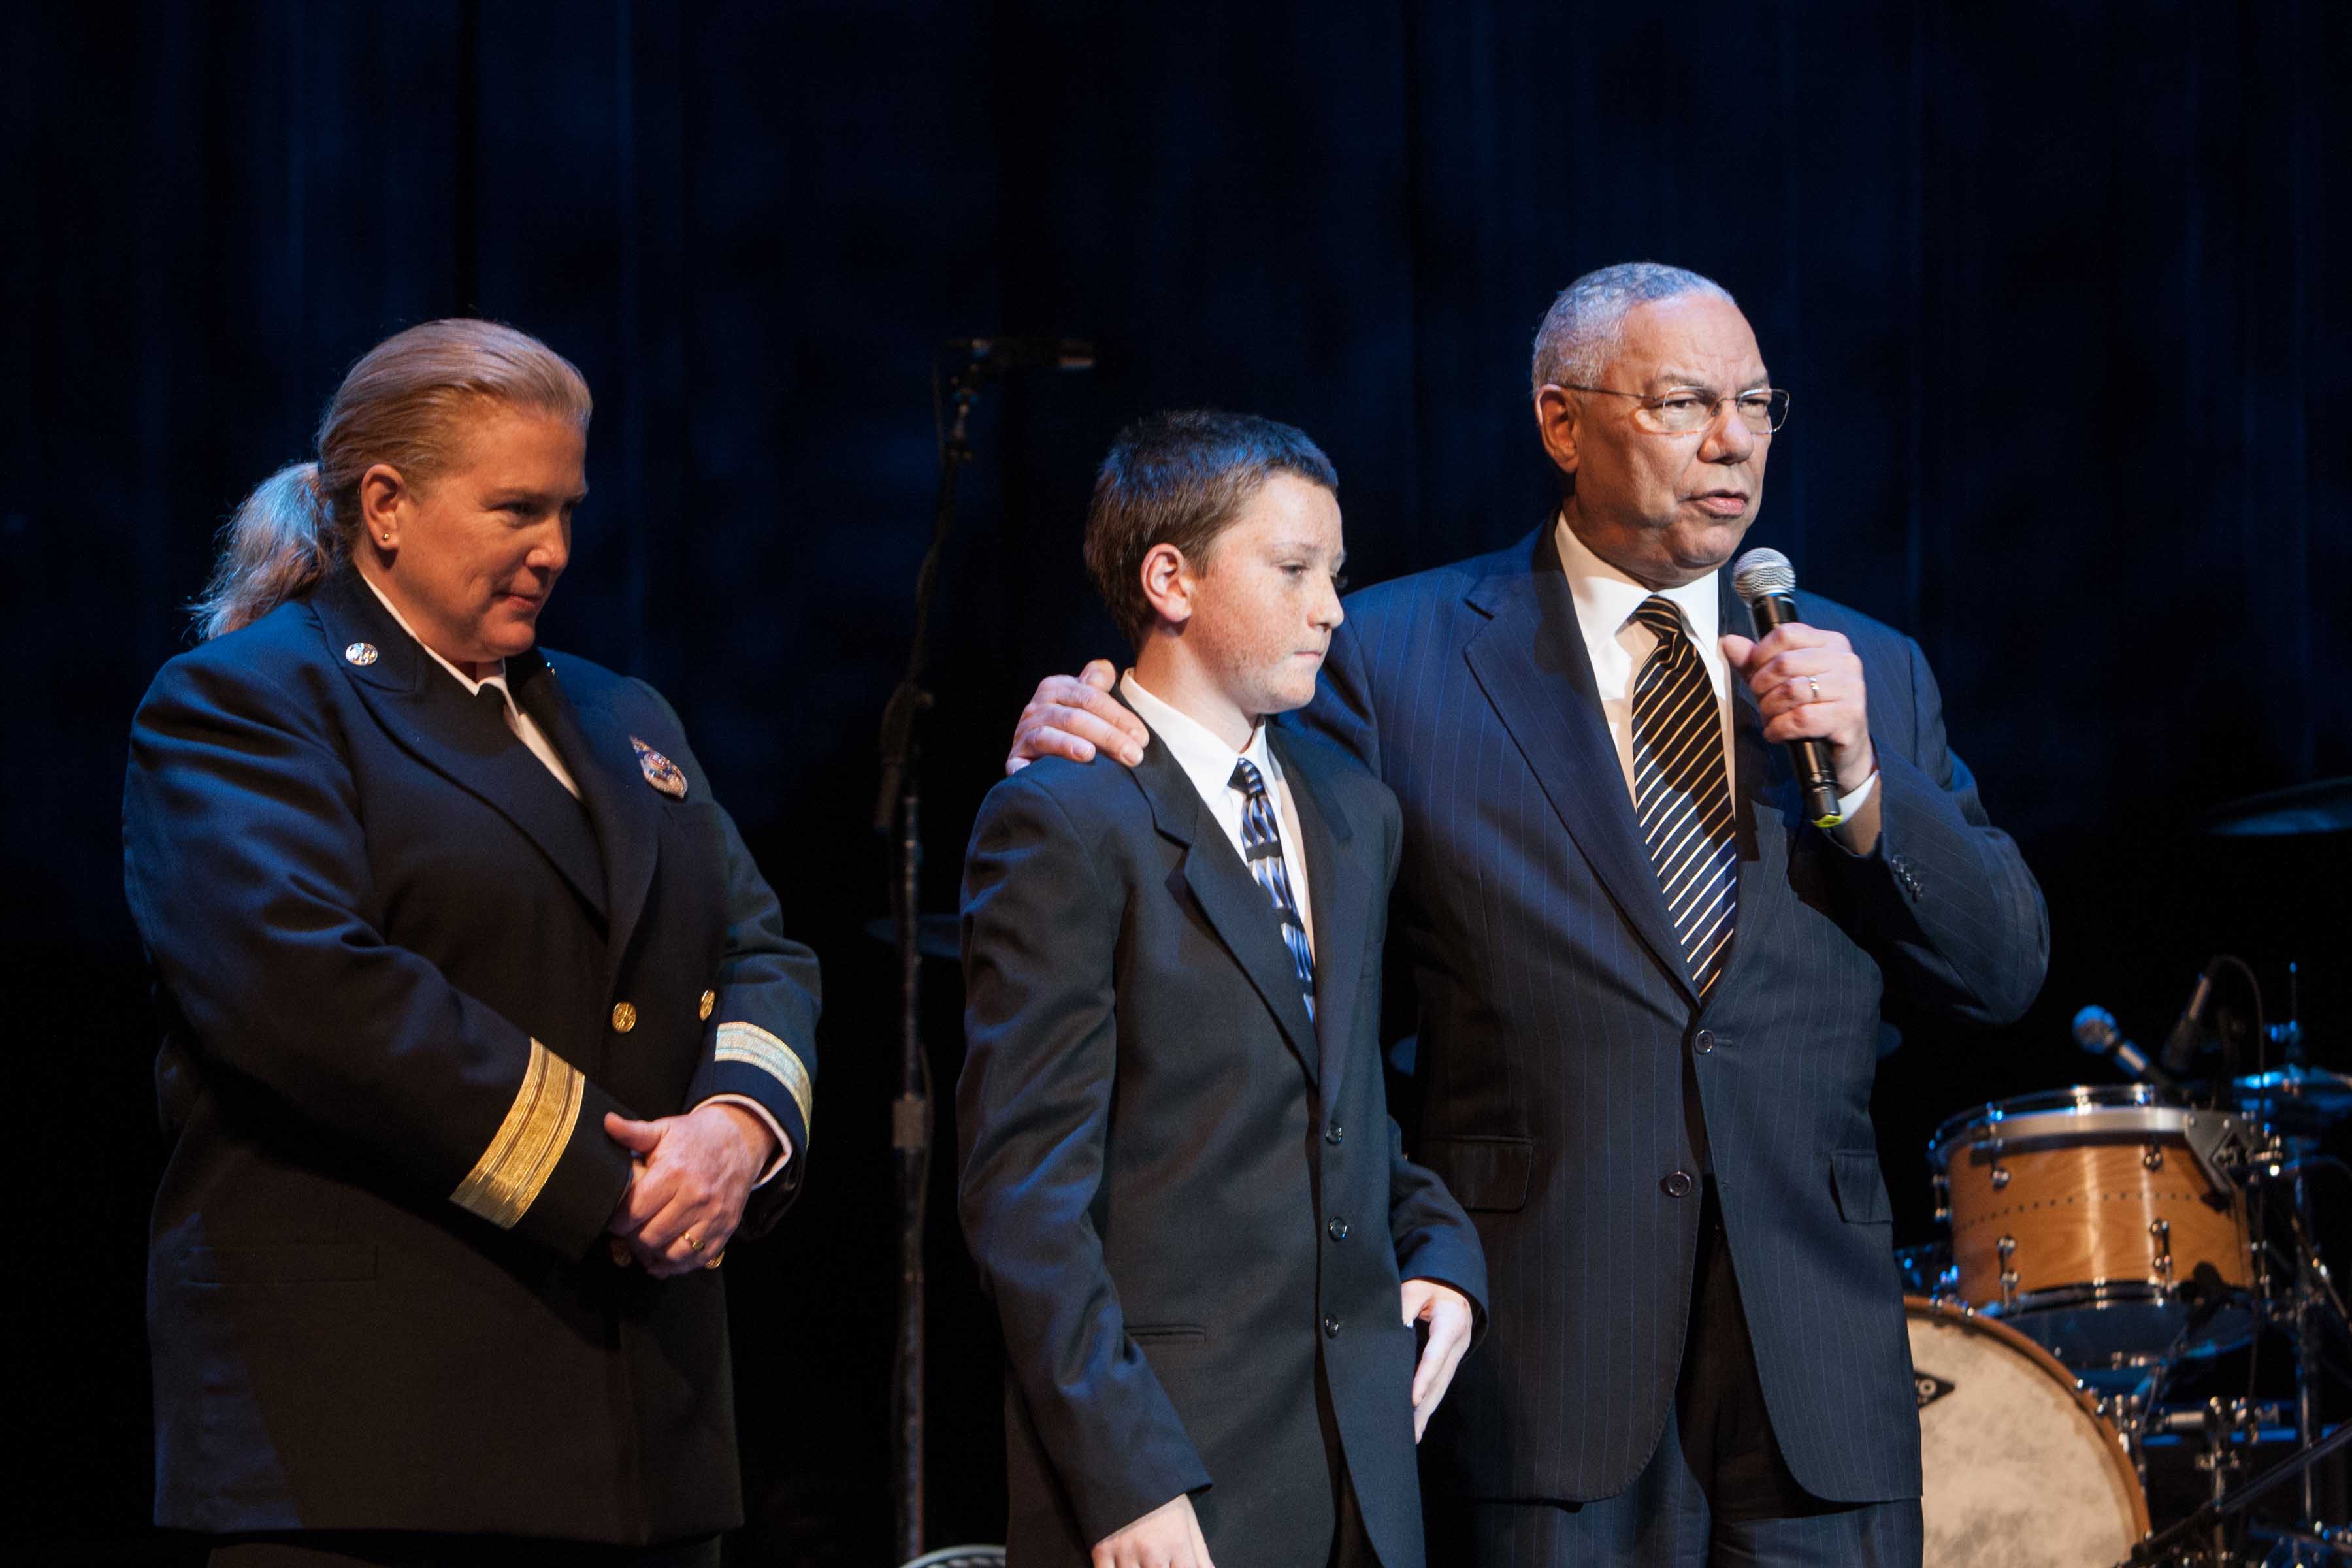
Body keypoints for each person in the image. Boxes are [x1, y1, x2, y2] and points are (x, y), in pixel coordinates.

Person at [1005, 266, 2049, 1565]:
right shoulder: (1393, 655)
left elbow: (2002, 971)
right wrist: (1102, 742)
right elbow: (1253, 923)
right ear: (1563, 422)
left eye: (1758, 404)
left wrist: (1867, 781)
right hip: (1540, 1381)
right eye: (1684, 402)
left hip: (1816, 1397)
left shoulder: (1865, 669)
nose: (1734, 440)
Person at [122, 319, 821, 1567]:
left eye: (567, 510)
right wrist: (616, 1183)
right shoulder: (249, 703)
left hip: (644, 1450)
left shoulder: (624, 714)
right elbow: (312, 994)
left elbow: (761, 952)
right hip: (378, 1455)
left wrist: (734, 1133)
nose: (554, 550)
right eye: (515, 510)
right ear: (386, 505)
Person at [958, 411, 1489, 1568]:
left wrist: (1441, 1250)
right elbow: (1027, 1199)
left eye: (1334, 574)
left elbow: (1346, 1109)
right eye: (1294, 570)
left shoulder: (1352, 810)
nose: (1331, 608)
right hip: (1178, 1475)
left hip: (1358, 1473)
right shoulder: (1066, 819)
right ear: (1172, 580)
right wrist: (1126, 1478)